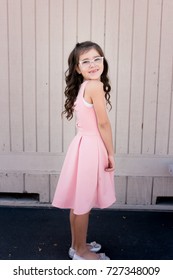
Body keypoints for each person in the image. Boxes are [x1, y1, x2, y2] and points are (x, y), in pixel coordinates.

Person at [52, 41, 116, 260]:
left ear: (103, 61)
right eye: (86, 61)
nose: (93, 64)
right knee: (84, 202)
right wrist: (111, 153)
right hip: (91, 148)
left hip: (81, 145)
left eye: (97, 59)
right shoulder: (94, 86)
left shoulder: (84, 86)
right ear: (78, 68)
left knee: (79, 200)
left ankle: (76, 244)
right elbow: (103, 124)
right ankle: (80, 252)